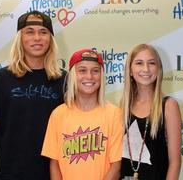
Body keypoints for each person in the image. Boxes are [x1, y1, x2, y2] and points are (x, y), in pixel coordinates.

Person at [0, 10, 65, 180]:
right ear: (20, 38)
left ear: (51, 39)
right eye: (29, 32)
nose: (37, 38)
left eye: (43, 32)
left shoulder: (65, 80)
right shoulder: (0, 79)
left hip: (55, 175)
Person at [41, 48, 123, 180]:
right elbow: (54, 164)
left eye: (95, 71)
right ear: (72, 75)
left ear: (101, 76)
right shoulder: (58, 114)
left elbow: (116, 166)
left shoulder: (114, 114)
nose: (89, 76)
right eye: (82, 70)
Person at [120, 44, 182, 180]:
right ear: (130, 70)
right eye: (139, 63)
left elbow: (175, 162)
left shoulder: (168, 106)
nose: (146, 69)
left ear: (159, 69)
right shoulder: (123, 107)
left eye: (151, 63)